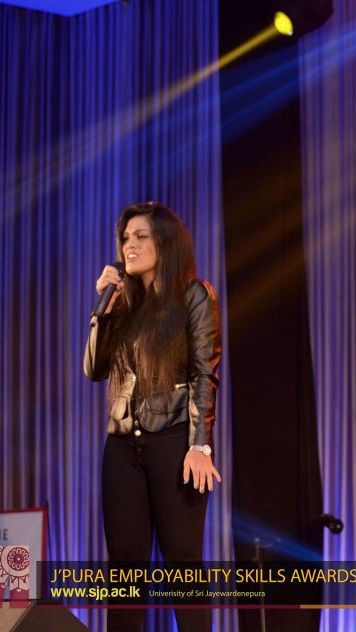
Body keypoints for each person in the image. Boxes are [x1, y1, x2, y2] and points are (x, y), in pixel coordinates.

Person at [84, 201, 222, 631]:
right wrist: (103, 312)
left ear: (165, 242)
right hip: (122, 446)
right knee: (125, 568)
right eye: (126, 238)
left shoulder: (193, 295)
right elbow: (94, 369)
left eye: (141, 236)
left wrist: (200, 445)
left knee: (183, 564)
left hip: (174, 441)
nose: (130, 245)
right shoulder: (124, 303)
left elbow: (204, 374)